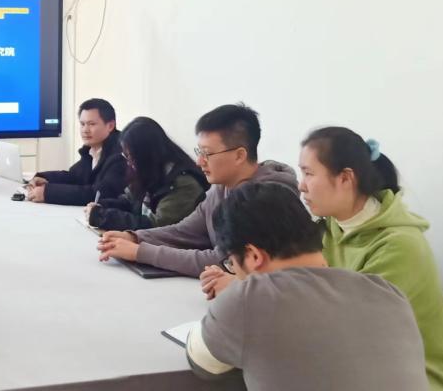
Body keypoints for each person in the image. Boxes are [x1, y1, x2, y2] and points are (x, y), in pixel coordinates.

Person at [185, 181, 429, 391]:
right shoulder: (387, 292)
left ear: (253, 256)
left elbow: (204, 364)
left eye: (231, 263)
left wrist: (229, 302)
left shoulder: (249, 300)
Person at [298, 127, 443, 391]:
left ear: (345, 178)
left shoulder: (399, 246)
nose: (301, 185)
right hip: (361, 365)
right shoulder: (332, 227)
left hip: (415, 380)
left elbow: (346, 329)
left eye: (308, 173)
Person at [97, 103, 297, 278]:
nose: (199, 161)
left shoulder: (266, 199)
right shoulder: (221, 187)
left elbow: (224, 261)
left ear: (239, 155)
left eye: (207, 153)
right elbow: (184, 231)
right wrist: (135, 237)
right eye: (199, 152)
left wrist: (139, 252)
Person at [83, 116, 209, 230]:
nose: (129, 162)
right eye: (126, 156)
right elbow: (130, 201)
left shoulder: (183, 183)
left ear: (147, 155)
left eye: (131, 157)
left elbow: (157, 225)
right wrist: (102, 206)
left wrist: (103, 217)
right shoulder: (152, 171)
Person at [26, 98, 126, 205]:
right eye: (82, 124)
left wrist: (47, 193)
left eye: (91, 124)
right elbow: (73, 177)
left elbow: (97, 194)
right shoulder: (91, 151)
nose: (85, 130)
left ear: (110, 126)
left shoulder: (121, 154)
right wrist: (44, 178)